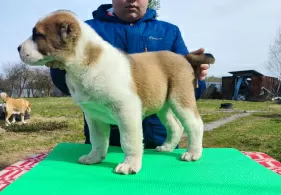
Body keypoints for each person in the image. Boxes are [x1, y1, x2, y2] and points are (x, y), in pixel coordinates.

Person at [47, 0, 210, 148]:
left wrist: (196, 76)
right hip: (109, 139)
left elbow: (189, 91)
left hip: (157, 139)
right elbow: (64, 82)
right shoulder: (88, 30)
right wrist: (61, 66)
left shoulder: (169, 31)